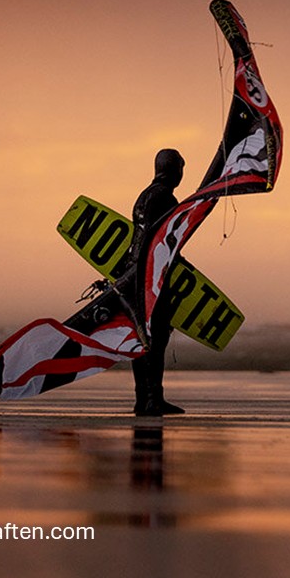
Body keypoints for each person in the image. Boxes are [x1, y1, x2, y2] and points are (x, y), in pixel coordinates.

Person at [120, 148, 187, 416]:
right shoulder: (165, 198)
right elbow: (162, 240)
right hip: (152, 277)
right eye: (181, 169)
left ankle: (143, 398)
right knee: (155, 340)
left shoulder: (144, 195)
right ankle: (152, 399)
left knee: (142, 338)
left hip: (135, 275)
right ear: (174, 170)